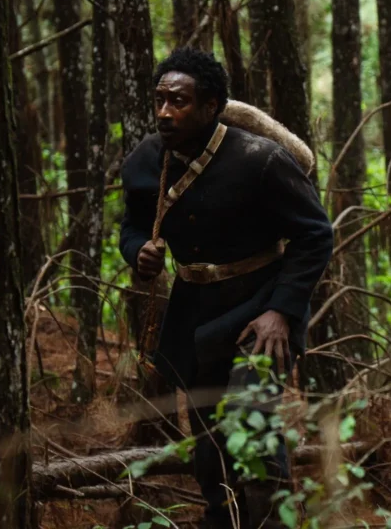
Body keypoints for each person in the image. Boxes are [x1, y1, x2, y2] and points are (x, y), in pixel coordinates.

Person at [119, 47, 333, 529]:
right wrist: (138, 252)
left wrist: (282, 311)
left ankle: (271, 523)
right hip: (194, 315)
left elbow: (316, 234)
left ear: (211, 106)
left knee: (251, 422)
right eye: (159, 100)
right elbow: (131, 226)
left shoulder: (260, 159)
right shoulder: (147, 160)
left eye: (179, 101)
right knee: (209, 440)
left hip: (261, 310)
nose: (165, 112)